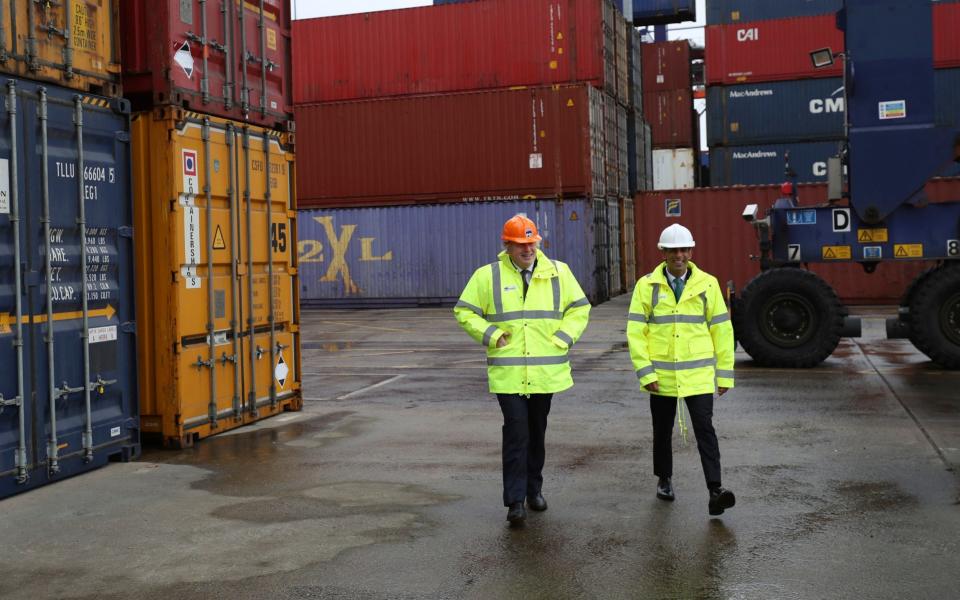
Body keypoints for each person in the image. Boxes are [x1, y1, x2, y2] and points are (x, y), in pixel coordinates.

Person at [454, 214, 591, 526]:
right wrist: (491, 335)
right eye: (520, 244)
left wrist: (563, 337)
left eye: (531, 242)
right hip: (509, 372)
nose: (527, 249)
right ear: (507, 246)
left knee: (537, 432)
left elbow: (580, 308)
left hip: (546, 372)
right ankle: (515, 501)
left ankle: (534, 490)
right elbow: (464, 311)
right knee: (517, 432)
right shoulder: (487, 276)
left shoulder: (560, 272)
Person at [626, 223, 737, 516]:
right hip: (660, 376)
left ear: (691, 251)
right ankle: (664, 478)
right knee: (662, 430)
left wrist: (724, 373)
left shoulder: (708, 284)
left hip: (697, 376)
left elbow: (722, 331)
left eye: (684, 250)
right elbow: (635, 332)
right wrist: (646, 372)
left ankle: (716, 490)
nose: (679, 255)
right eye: (673, 250)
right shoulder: (646, 286)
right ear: (663, 252)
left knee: (705, 430)